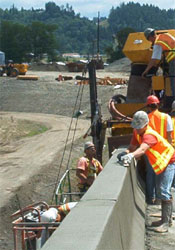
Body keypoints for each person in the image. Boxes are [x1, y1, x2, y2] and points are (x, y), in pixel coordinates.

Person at [117, 111, 175, 233]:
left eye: (139, 127)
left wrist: (131, 156)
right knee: (160, 190)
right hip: (162, 163)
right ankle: (166, 219)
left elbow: (142, 149)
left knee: (164, 191)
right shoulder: (137, 133)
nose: (137, 129)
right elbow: (132, 147)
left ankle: (166, 223)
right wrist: (126, 153)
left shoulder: (149, 135)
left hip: (170, 161)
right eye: (136, 127)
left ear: (146, 124)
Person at [142, 28, 175, 97]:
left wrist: (146, 71)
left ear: (150, 37)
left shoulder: (157, 43)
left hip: (173, 60)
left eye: (149, 40)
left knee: (173, 80)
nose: (150, 42)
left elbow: (153, 60)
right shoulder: (166, 35)